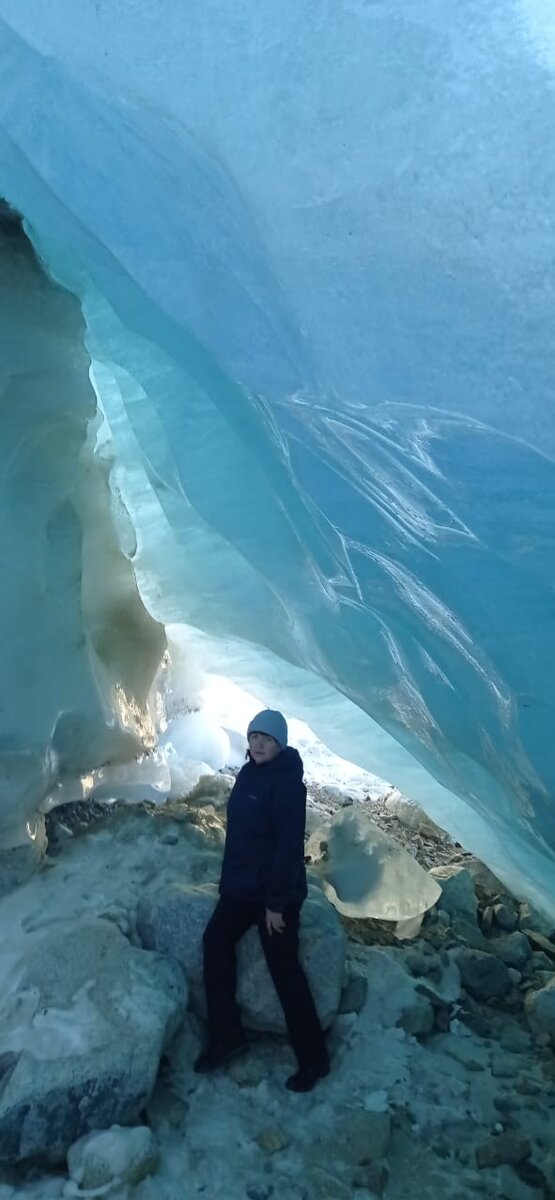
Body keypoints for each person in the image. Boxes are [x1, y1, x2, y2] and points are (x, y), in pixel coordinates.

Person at [194, 709, 330, 1092]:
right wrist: (228, 884)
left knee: (284, 970)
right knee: (215, 942)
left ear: (280, 743)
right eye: (254, 736)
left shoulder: (288, 783)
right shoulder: (249, 772)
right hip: (241, 888)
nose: (257, 743)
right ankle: (228, 1035)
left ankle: (314, 1059)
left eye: (266, 739)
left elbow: (288, 848)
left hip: (274, 894)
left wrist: (276, 904)